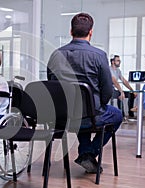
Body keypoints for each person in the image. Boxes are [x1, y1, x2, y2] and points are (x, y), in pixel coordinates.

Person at [47, 13, 122, 174]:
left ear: (70, 31)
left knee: (79, 109)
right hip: (90, 118)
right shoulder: (99, 55)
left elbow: (51, 86)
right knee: (117, 115)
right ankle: (88, 153)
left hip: (62, 119)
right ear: (91, 32)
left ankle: (86, 151)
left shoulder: (56, 55)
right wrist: (98, 106)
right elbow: (107, 91)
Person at [109, 55, 137, 122]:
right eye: (118, 60)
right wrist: (121, 92)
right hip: (109, 89)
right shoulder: (109, 69)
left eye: (119, 60)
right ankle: (122, 116)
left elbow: (124, 81)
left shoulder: (118, 70)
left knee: (131, 94)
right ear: (113, 62)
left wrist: (132, 91)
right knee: (120, 94)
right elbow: (114, 81)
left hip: (115, 89)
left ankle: (131, 114)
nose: (119, 62)